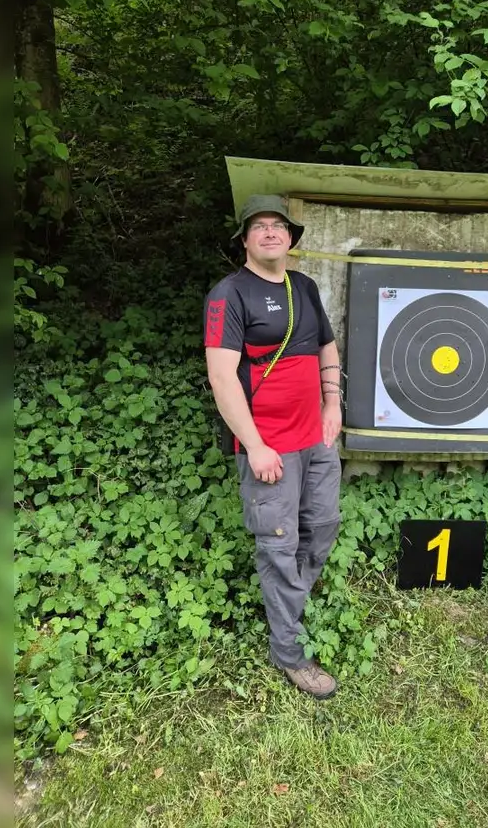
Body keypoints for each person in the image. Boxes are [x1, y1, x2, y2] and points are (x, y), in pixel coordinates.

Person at [203, 194, 344, 699]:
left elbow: (326, 344)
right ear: (244, 240)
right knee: (279, 543)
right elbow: (222, 378)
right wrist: (255, 445)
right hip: (270, 447)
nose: (269, 233)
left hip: (316, 439)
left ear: (290, 238)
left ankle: (292, 599)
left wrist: (333, 402)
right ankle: (290, 653)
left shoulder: (303, 287)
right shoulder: (229, 294)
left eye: (278, 226)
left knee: (323, 524)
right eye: (258, 226)